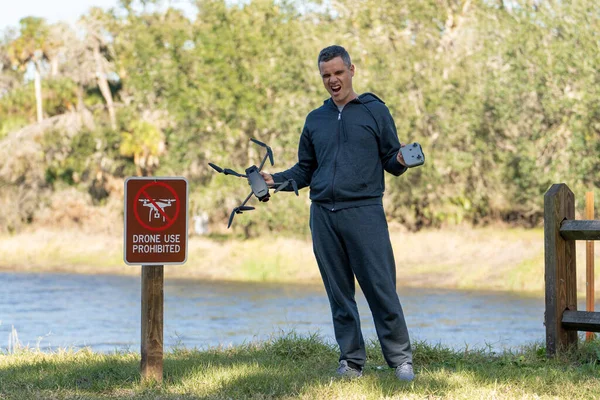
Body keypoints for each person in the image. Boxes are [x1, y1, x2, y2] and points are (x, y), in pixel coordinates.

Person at [260, 45, 414, 381]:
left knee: (380, 287)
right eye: (326, 75)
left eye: (338, 73)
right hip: (323, 215)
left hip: (364, 211)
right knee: (339, 293)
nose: (333, 80)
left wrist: (401, 160)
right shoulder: (316, 119)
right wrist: (276, 180)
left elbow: (391, 158)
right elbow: (305, 169)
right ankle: (351, 361)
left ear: (351, 70)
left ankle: (401, 361)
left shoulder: (375, 111)